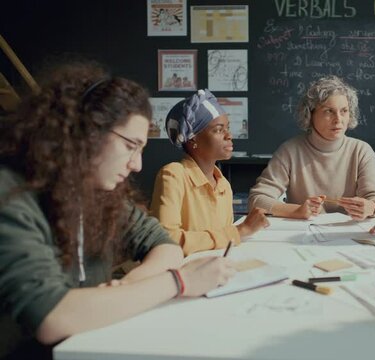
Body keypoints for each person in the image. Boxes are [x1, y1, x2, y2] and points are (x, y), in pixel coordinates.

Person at [0, 62, 235, 358]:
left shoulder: (98, 192)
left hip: (88, 346)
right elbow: (51, 316)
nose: (136, 165)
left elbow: (164, 244)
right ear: (88, 132)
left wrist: (126, 286)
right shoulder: (11, 193)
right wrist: (180, 281)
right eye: (130, 146)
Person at [247, 75, 375, 220]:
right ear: (310, 114)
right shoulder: (290, 151)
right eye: (328, 111)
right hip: (302, 234)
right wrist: (296, 211)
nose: (338, 119)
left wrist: (371, 207)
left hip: (348, 233)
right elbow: (256, 200)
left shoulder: (361, 151)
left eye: (344, 111)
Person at [150, 89, 269, 256]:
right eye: (219, 130)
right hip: (183, 274)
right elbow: (166, 240)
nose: (229, 136)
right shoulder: (173, 175)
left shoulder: (223, 185)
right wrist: (240, 231)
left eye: (227, 128)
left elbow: (225, 245)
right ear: (193, 140)